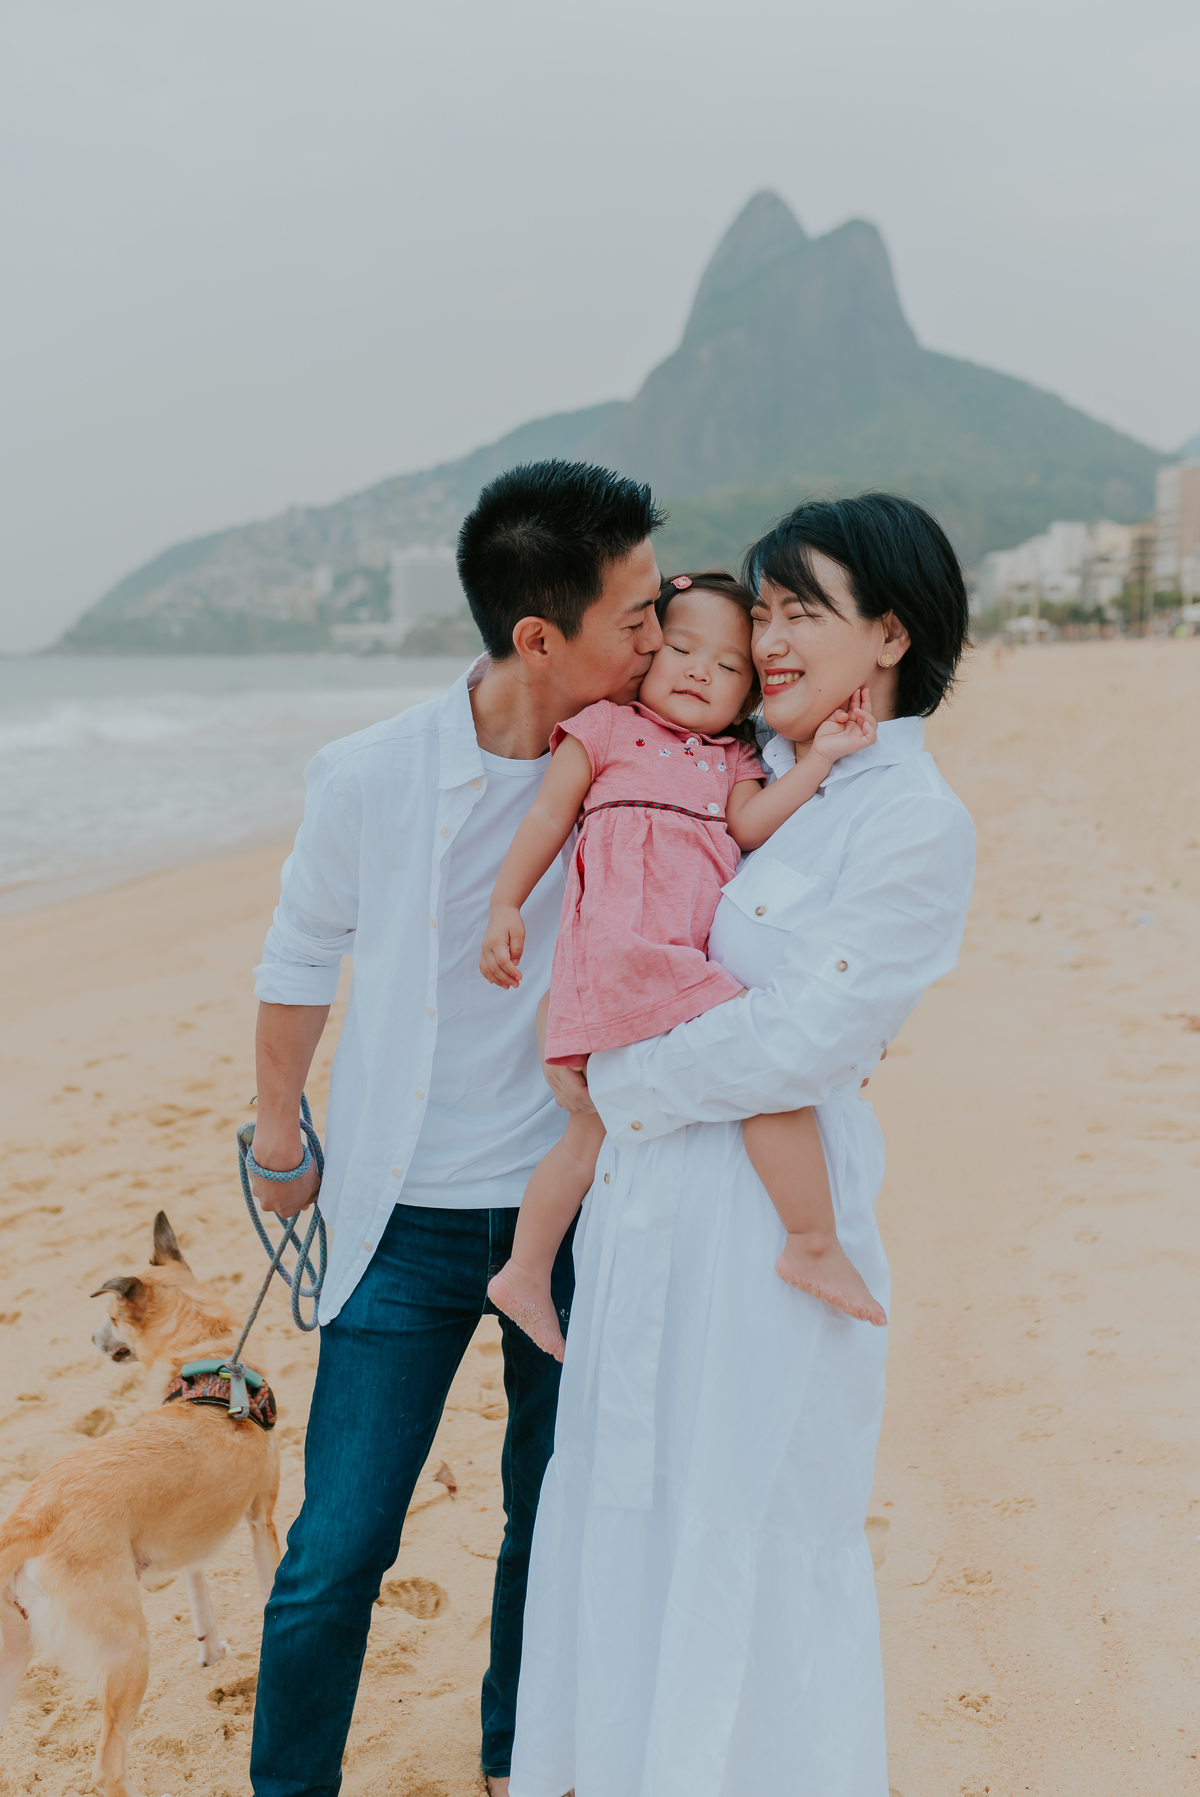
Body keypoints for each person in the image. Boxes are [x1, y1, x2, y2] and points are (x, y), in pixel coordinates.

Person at [507, 493, 977, 1797]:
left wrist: (620, 1077)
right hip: (649, 1211)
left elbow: (812, 1037)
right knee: (623, 1518)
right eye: (762, 607)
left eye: (804, 610)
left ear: (889, 632)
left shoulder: (910, 817)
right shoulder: (755, 770)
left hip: (765, 1235)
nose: (768, 635)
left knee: (754, 1537)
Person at [245, 459, 667, 1797]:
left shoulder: (651, 755)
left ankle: (513, 1760)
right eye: (636, 617)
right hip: (401, 1221)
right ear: (541, 637)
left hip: (582, 1204)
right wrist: (277, 1134)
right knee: (338, 1547)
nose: (658, 641)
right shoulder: (370, 777)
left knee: (554, 1512)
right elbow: (301, 956)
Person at [479, 571, 886, 1362]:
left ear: (748, 697)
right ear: (648, 652)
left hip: (672, 965)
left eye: (730, 665)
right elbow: (543, 817)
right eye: (683, 648)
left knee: (590, 1132)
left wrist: (821, 759)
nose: (701, 669)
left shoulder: (733, 760)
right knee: (768, 1077)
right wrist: (503, 906)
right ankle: (810, 1239)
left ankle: (524, 1271)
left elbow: (757, 824)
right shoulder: (601, 728)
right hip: (620, 961)